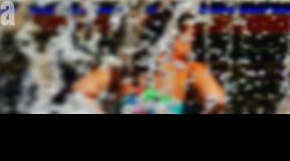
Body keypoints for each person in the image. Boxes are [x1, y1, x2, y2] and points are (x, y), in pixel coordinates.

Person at [72, 10, 227, 114]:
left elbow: (80, 91)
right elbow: (216, 100)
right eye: (190, 34)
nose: (193, 40)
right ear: (173, 38)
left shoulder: (125, 69)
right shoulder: (190, 70)